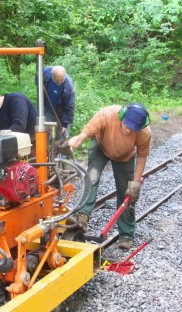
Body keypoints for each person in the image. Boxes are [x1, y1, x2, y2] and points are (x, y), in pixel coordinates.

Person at [64, 103, 151, 251]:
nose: (129, 130)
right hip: (101, 147)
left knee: (127, 194)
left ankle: (127, 235)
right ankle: (83, 217)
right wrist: (68, 147)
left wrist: (135, 184)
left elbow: (142, 157)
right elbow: (81, 137)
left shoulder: (144, 132)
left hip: (125, 156)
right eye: (127, 125)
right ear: (122, 116)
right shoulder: (106, 115)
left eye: (133, 128)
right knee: (91, 177)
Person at [41, 65, 75, 139]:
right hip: (47, 109)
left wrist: (65, 124)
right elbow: (38, 76)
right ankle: (46, 150)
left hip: (62, 112)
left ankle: (61, 149)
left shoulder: (68, 86)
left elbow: (69, 106)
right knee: (45, 133)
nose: (59, 82)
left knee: (63, 136)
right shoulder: (46, 73)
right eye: (57, 80)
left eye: (61, 80)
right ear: (52, 75)